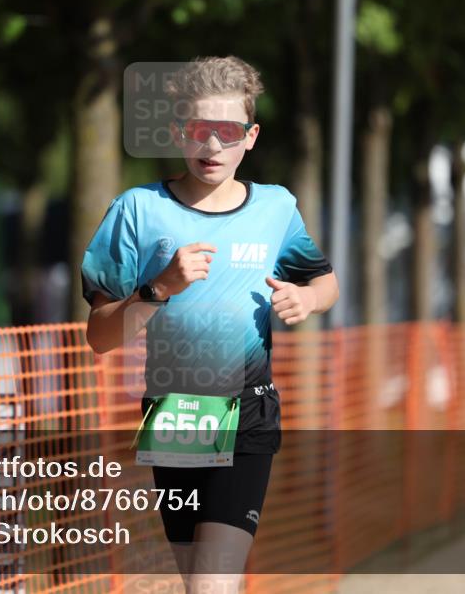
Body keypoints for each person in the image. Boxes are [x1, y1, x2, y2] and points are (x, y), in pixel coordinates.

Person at [81, 56, 339, 593]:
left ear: (251, 137)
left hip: (247, 412)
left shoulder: (276, 209)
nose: (213, 145)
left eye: (229, 132)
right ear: (178, 132)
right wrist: (159, 288)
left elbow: (325, 281)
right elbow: (100, 337)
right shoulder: (137, 210)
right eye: (200, 130)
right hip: (175, 415)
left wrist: (307, 299)